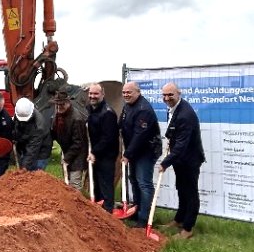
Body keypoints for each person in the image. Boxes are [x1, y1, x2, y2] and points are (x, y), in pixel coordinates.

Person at [160, 82, 205, 239]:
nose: (167, 98)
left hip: (190, 159)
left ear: (179, 93)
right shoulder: (174, 109)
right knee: (181, 189)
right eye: (164, 95)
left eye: (170, 95)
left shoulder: (185, 114)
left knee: (190, 193)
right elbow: (174, 132)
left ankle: (187, 228)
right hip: (180, 158)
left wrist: (165, 163)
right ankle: (179, 219)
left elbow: (181, 145)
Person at [120, 81, 162, 228]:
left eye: (129, 92)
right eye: (124, 92)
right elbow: (122, 124)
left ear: (138, 92)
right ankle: (136, 211)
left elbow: (140, 136)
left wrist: (127, 154)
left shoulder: (144, 109)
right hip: (135, 150)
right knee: (134, 180)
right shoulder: (128, 106)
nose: (126, 94)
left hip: (147, 150)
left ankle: (144, 219)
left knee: (144, 183)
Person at [86, 83, 120, 213]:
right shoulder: (90, 109)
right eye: (91, 93)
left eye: (96, 94)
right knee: (96, 184)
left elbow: (108, 138)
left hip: (106, 155)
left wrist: (94, 152)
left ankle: (108, 211)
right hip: (95, 154)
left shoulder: (108, 113)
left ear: (102, 94)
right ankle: (98, 212)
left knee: (106, 185)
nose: (92, 96)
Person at [51, 87, 87, 191]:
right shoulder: (58, 115)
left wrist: (67, 158)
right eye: (57, 104)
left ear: (68, 103)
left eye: (62, 104)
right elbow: (54, 133)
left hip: (78, 156)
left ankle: (78, 207)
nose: (59, 107)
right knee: (66, 186)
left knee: (74, 185)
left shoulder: (77, 118)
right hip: (66, 151)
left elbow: (78, 143)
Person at [13, 98, 52, 171]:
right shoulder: (19, 113)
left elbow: (32, 149)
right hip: (26, 147)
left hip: (40, 152)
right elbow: (16, 127)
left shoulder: (38, 126)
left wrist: (24, 167)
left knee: (35, 176)